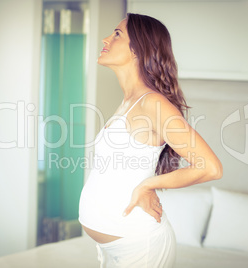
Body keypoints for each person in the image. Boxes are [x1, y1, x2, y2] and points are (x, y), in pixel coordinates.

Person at [78, 13, 223, 267]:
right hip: (114, 247)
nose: (105, 39)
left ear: (138, 49)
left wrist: (147, 185)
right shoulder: (129, 102)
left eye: (117, 34)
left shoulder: (153, 103)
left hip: (140, 248)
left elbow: (210, 167)